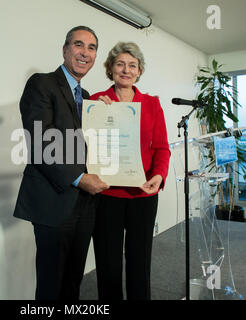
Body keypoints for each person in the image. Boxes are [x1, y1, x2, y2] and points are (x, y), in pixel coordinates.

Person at [13, 26, 109, 300]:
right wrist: (80, 178)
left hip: (85, 204)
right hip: (54, 200)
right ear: (65, 50)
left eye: (91, 48)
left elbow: (90, 146)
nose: (85, 53)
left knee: (73, 281)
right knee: (51, 284)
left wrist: (103, 116)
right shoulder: (41, 83)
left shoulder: (88, 98)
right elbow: (41, 142)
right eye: (79, 45)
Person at [90, 42, 171, 300]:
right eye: (120, 64)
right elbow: (85, 146)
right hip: (106, 195)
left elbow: (161, 148)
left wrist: (158, 176)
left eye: (132, 65)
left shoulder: (151, 104)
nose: (126, 70)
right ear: (111, 69)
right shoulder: (94, 101)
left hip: (143, 195)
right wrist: (97, 115)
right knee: (108, 263)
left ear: (139, 71)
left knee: (139, 261)